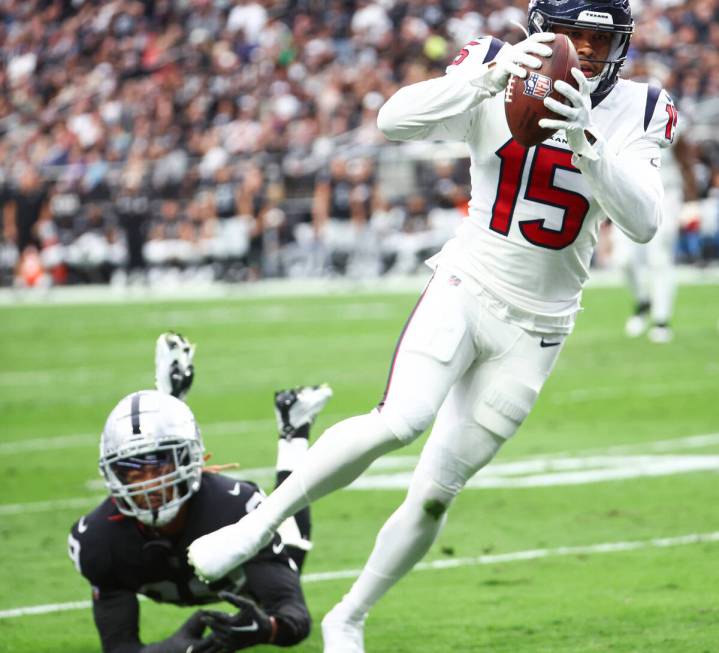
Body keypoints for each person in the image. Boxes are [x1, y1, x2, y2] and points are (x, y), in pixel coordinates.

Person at [187, 1, 676, 650]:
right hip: (466, 282)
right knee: (401, 417)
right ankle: (258, 526)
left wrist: (589, 142)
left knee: (433, 496)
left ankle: (349, 614)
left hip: (538, 328)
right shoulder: (494, 64)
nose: (585, 52)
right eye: (571, 37)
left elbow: (643, 222)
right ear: (540, 35)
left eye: (599, 39)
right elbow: (392, 120)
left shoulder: (640, 108)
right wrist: (489, 76)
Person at [68, 332, 333, 653]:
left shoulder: (232, 506)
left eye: (159, 469)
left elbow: (292, 613)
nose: (148, 485)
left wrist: (267, 629)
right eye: (133, 473)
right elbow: (119, 648)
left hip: (227, 554)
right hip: (183, 561)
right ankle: (169, 404)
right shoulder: (98, 539)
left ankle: (293, 431)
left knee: (291, 551)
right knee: (164, 444)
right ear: (113, 475)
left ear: (193, 462)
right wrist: (168, 651)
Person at [619, 131, 696, 343]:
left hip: (666, 195)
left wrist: (691, 202)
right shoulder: (623, 107)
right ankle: (643, 301)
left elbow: (686, 162)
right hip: (630, 192)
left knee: (659, 258)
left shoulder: (674, 118)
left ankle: (661, 320)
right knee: (623, 259)